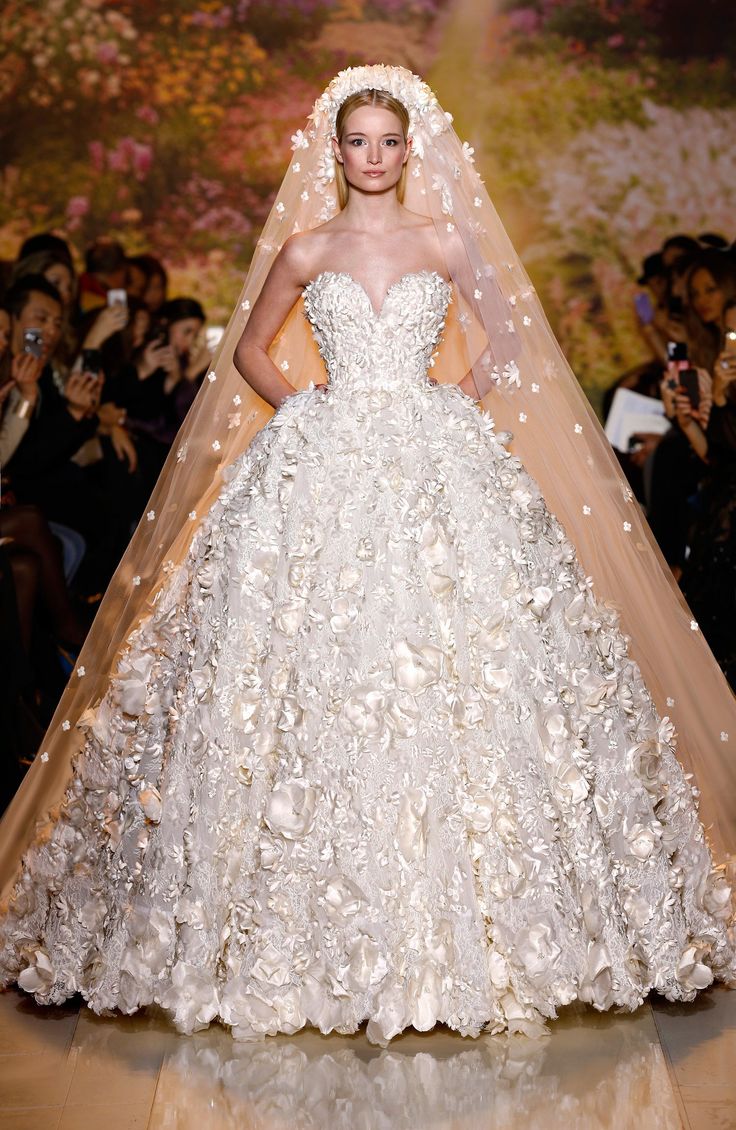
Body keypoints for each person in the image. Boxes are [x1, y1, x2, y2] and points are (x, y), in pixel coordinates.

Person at [0, 66, 734, 1048]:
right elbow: (251, 352)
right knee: (305, 660)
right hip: (328, 452)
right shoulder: (306, 246)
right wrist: (307, 404)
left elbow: (509, 340)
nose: (375, 156)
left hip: (434, 459)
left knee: (463, 662)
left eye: (390, 140)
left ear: (408, 147)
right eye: (360, 141)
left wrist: (449, 404)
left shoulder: (444, 239)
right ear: (335, 149)